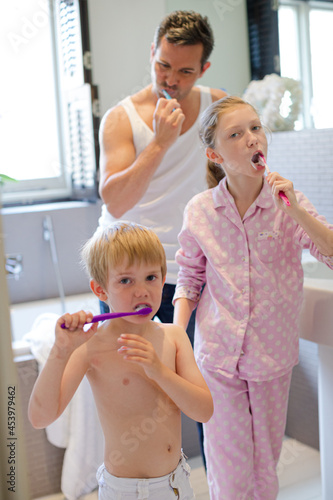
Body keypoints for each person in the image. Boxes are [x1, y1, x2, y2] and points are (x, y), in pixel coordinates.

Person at [173, 96, 333, 500]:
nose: (251, 139)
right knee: (228, 472)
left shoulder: (288, 207)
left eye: (256, 128)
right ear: (214, 154)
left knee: (265, 468)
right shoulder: (200, 211)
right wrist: (177, 337)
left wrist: (295, 210)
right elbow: (189, 279)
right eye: (236, 134)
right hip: (218, 359)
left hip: (272, 357)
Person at [97, 10, 227, 463]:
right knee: (134, 392)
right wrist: (159, 142)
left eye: (185, 70)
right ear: (152, 53)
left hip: (192, 274)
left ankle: (218, 488)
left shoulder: (217, 107)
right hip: (131, 273)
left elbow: (237, 180)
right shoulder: (121, 118)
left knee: (206, 390)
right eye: (162, 65)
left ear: (204, 69)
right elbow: (114, 200)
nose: (170, 79)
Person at [28, 221, 213, 500]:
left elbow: (204, 411)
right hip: (122, 491)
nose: (141, 291)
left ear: (164, 279)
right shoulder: (90, 347)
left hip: (175, 485)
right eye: (126, 280)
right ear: (101, 290)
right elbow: (40, 417)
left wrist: (159, 372)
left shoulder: (174, 337)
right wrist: (61, 351)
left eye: (151, 277)